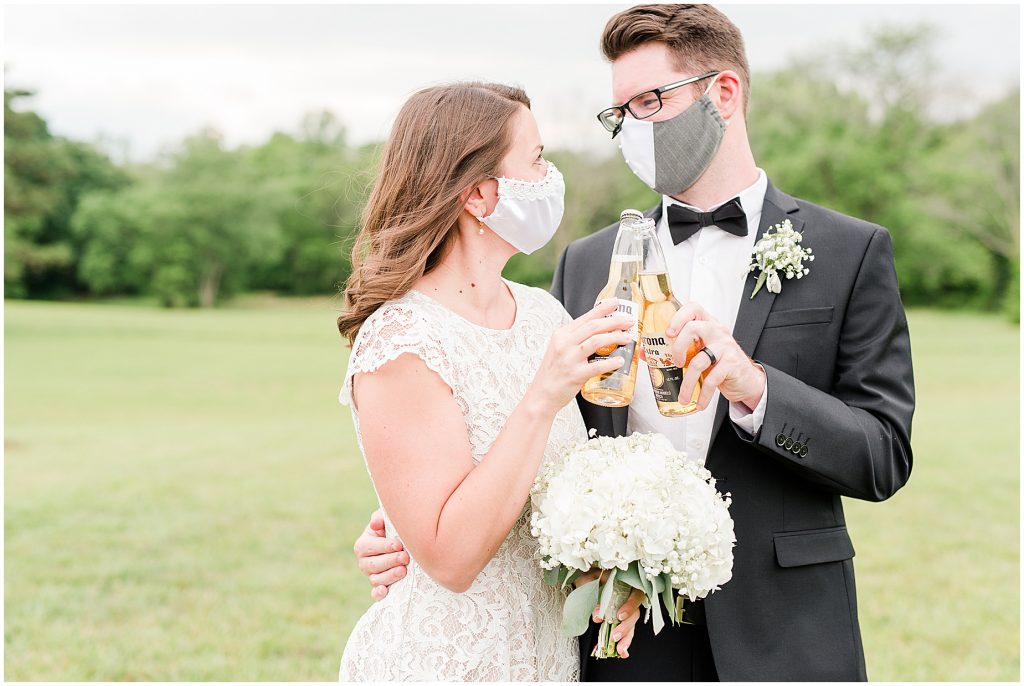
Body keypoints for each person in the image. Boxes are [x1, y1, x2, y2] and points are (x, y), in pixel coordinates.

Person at [353, 5, 915, 681]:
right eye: (620, 112)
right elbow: (533, 439)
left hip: (787, 629)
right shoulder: (585, 266)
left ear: (723, 93)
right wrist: (406, 521)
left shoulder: (849, 251)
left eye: (651, 100)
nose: (634, 127)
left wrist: (755, 388)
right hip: (621, 634)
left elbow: (882, 455)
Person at [335, 81, 644, 681]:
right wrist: (542, 396)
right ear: (479, 194)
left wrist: (609, 579)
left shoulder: (542, 316)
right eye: (536, 160)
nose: (550, 176)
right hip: (446, 661)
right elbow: (450, 558)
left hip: (546, 660)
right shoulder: (402, 341)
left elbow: (554, 502)